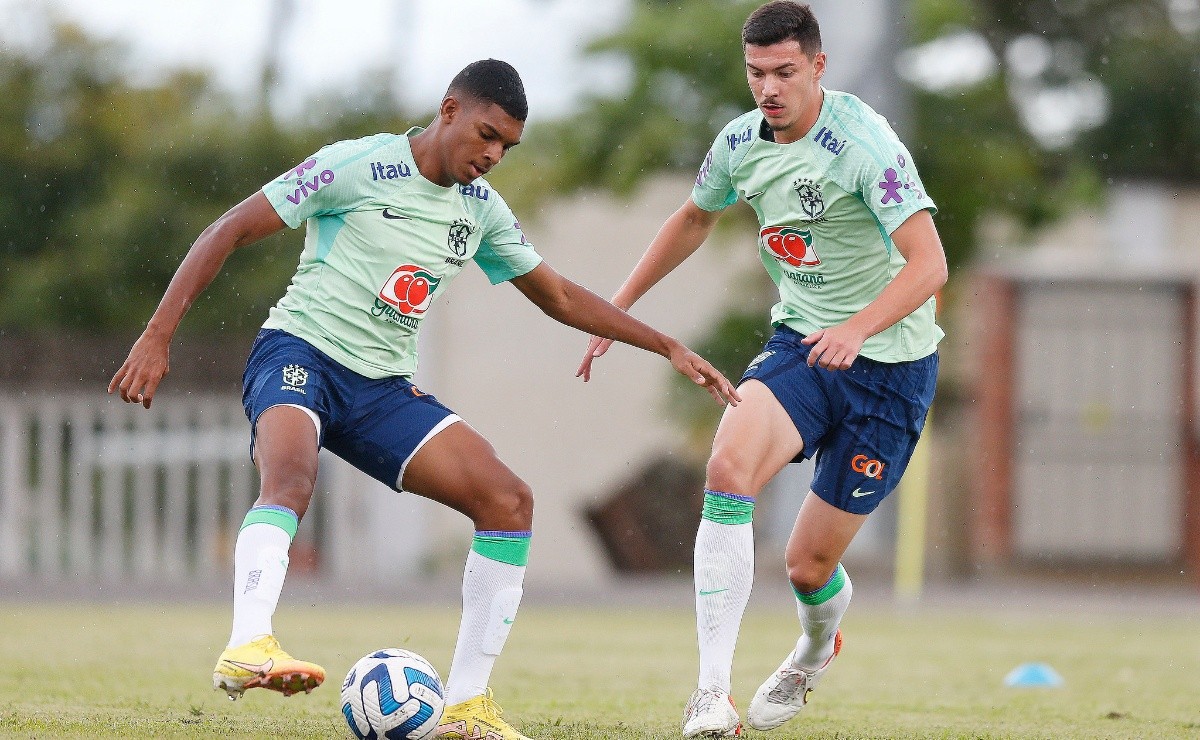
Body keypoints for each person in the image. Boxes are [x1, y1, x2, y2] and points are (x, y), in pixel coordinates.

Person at [109, 59, 740, 740]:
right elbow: (227, 228)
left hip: (380, 389)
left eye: (507, 147)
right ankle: (248, 646)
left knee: (509, 500)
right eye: (487, 134)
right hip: (300, 354)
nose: (493, 155)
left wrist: (665, 344)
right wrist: (157, 334)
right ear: (449, 110)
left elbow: (557, 295)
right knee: (290, 478)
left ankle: (466, 708)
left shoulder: (481, 210)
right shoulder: (356, 165)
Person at [577, 2, 947, 736]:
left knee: (807, 567)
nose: (769, 89)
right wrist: (612, 313)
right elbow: (692, 218)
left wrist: (860, 326)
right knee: (727, 467)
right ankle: (712, 694)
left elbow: (930, 264)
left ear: (818, 67)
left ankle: (814, 648)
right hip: (801, 350)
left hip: (891, 369)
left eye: (784, 72)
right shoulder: (741, 143)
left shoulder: (865, 145)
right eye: (756, 73)